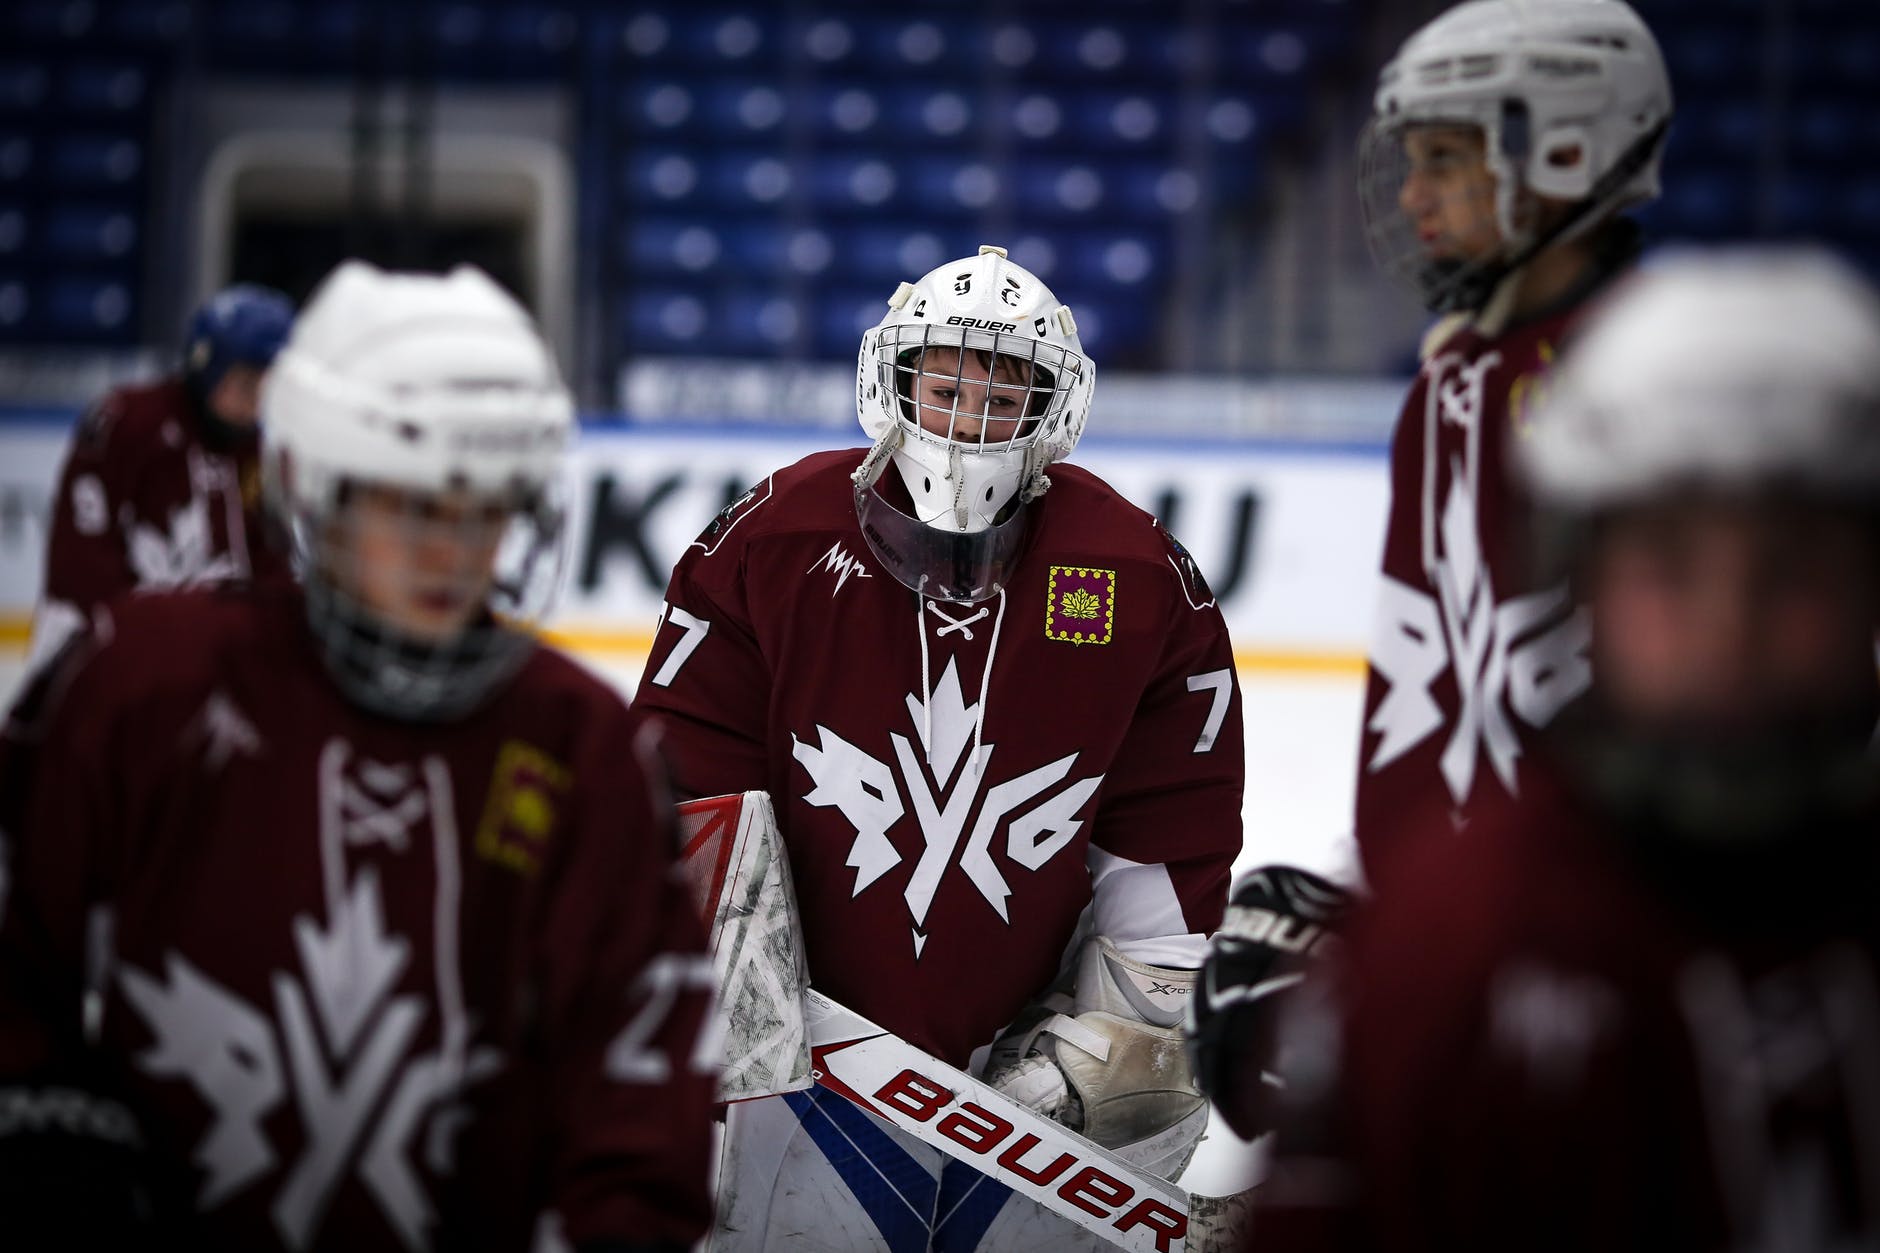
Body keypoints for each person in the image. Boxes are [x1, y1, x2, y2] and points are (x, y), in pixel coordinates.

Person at [0, 261, 717, 1252]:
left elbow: (640, 1090)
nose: (451, 551)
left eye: (485, 507)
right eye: (410, 503)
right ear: (314, 485)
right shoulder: (140, 684)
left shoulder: (585, 751)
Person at [1253, 247, 1880, 1250]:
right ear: (1573, 579)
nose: (1729, 631)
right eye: (1668, 568)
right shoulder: (1441, 941)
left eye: (1793, 569)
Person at [636, 244, 1244, 1248]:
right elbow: (681, 787)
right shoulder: (772, 538)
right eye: (946, 378)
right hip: (799, 1056)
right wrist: (728, 990)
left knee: (1158, 1072)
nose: (967, 416)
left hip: (1029, 1078)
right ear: (892, 379)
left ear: (1052, 408)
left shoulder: (1134, 574)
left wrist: (1116, 1047)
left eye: (1003, 388)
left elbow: (1168, 848)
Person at [1184, 0, 1677, 1141]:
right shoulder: (1448, 388)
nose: (1410, 199)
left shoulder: (1669, 395)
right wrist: (1375, 907)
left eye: (1446, 160)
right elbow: (1441, 709)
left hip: (1610, 1015)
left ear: (1566, 152)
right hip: (1468, 970)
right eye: (1411, 165)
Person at [30, 282, 296, 668]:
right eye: (244, 384)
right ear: (206, 365)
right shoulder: (129, 421)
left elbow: (269, 560)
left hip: (204, 660)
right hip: (102, 649)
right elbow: (81, 554)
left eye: (266, 388)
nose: (254, 404)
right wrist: (120, 638)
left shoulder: (256, 453)